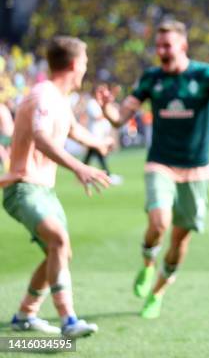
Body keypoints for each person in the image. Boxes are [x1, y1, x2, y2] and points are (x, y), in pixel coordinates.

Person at [96, 20, 209, 319]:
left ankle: (157, 292)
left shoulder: (205, 74)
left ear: (182, 46)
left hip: (196, 169)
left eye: (167, 46)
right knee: (159, 222)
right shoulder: (151, 78)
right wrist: (107, 108)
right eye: (158, 46)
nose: (161, 51)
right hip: (160, 162)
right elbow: (120, 118)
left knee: (179, 239)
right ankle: (148, 262)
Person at [1, 36, 111, 338]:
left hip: (42, 189)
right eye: (86, 63)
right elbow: (41, 137)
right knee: (59, 241)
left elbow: (74, 130)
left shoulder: (58, 100)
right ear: (75, 65)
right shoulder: (43, 95)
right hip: (23, 187)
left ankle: (25, 314)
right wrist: (79, 166)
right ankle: (69, 320)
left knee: (59, 252)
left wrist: (101, 142)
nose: (86, 68)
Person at [82, 94, 122, 184]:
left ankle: (83, 174)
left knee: (90, 156)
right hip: (94, 135)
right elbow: (97, 116)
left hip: (100, 136)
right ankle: (108, 175)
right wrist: (107, 112)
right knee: (100, 155)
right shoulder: (92, 103)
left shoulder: (99, 103)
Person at [0, 101, 14, 171]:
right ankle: (9, 166)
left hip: (5, 134)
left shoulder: (1, 108)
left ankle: (6, 165)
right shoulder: (4, 107)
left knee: (2, 150)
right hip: (12, 133)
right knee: (8, 151)